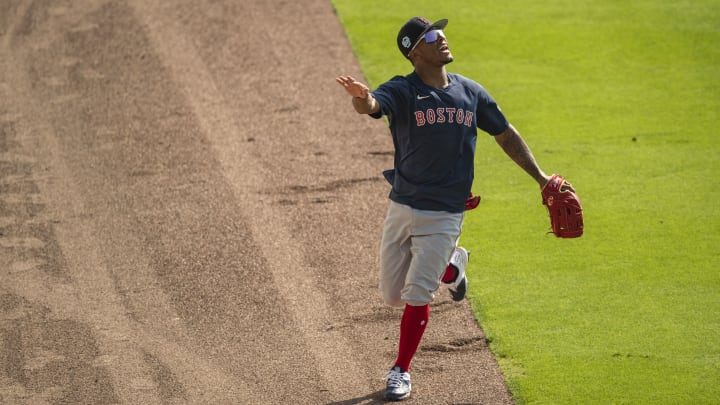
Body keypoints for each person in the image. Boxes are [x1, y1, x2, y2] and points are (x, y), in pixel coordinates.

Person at [336, 16, 566, 401]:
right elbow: (374, 105)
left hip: (446, 211)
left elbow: (505, 134)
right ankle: (451, 266)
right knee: (392, 295)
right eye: (430, 35)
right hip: (403, 205)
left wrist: (541, 178)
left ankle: (400, 371)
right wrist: (363, 98)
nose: (441, 37)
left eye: (440, 32)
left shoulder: (471, 93)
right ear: (415, 51)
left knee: (416, 294)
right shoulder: (403, 90)